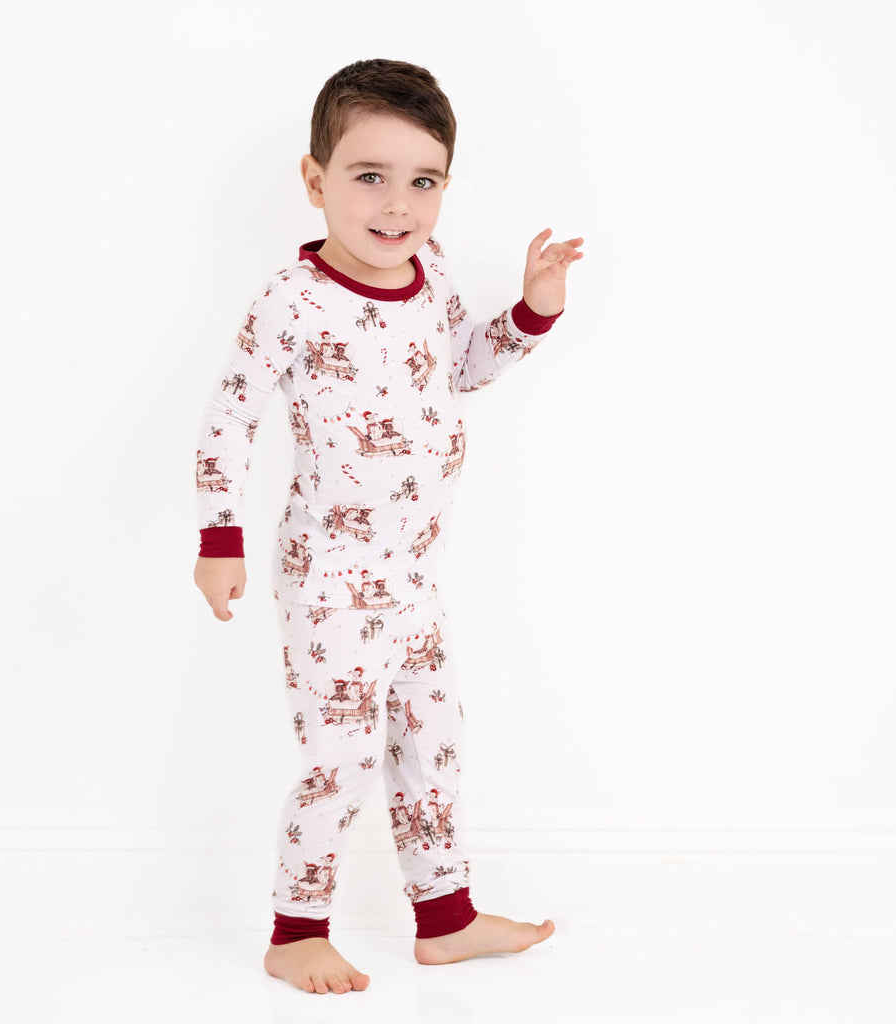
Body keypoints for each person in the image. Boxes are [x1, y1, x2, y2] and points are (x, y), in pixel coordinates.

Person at [193, 58, 584, 995]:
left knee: (431, 737)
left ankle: (445, 918)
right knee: (342, 756)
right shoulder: (292, 299)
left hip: (412, 575)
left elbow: (462, 367)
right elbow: (229, 418)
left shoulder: (431, 270)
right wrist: (219, 540)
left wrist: (530, 313)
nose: (398, 205)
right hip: (329, 573)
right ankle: (296, 929)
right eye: (370, 176)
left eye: (424, 181)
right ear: (315, 179)